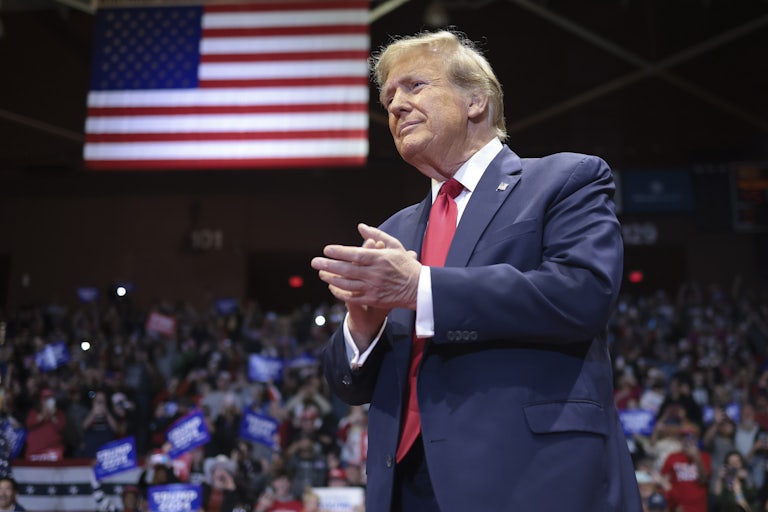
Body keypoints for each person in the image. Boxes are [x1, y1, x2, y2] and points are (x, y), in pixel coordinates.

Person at [311, 29, 641, 511]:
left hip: (530, 477)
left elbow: (582, 293)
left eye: (415, 86)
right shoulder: (394, 231)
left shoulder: (565, 180)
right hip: (405, 487)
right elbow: (349, 384)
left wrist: (419, 286)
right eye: (388, 98)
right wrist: (362, 327)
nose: (396, 105)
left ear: (476, 102)